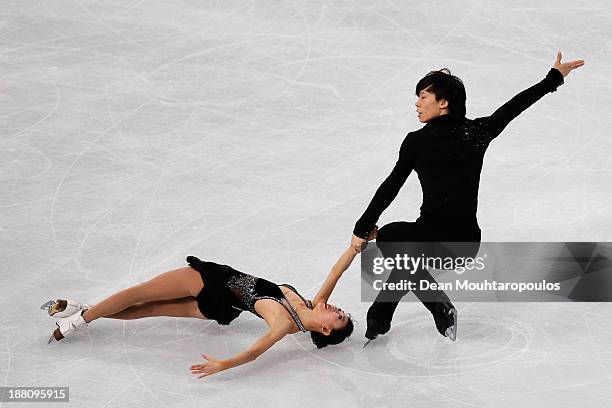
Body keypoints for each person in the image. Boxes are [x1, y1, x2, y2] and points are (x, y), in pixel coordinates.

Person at [351, 51, 585, 343]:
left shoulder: (417, 142)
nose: (417, 103)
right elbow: (513, 107)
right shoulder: (477, 132)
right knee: (404, 258)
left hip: (431, 239)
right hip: (465, 244)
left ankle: (436, 306)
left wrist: (362, 229)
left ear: (443, 102)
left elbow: (391, 186)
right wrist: (553, 79)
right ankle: (379, 319)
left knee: (389, 238)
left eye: (423, 96)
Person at [42, 231, 376, 378]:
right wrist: (358, 243)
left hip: (213, 282)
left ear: (327, 327)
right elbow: (337, 270)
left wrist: (223, 365)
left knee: (141, 295)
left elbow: (256, 351)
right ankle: (83, 315)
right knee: (148, 309)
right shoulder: (310, 303)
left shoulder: (287, 324)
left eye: (339, 315)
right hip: (220, 309)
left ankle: (80, 315)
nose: (336, 307)